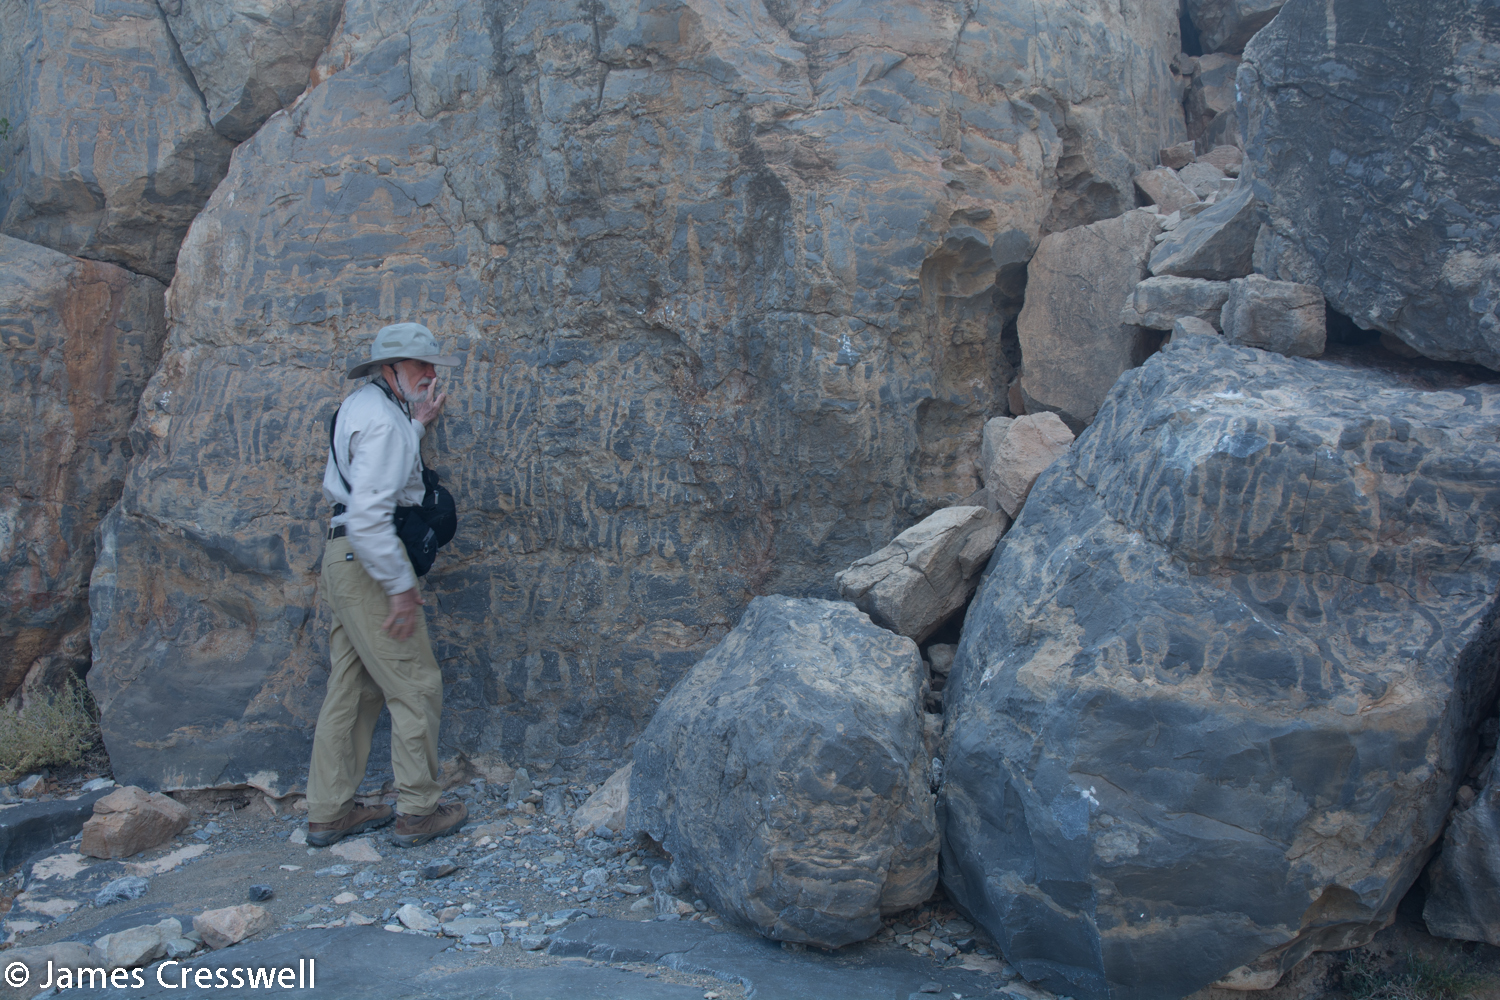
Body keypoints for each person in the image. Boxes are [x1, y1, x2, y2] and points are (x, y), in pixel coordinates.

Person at [304, 322, 468, 848]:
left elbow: (374, 474)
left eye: (430, 364)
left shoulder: (365, 407)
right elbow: (373, 513)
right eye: (419, 365)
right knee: (415, 683)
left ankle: (329, 811)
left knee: (352, 686)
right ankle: (419, 810)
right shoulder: (385, 422)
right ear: (390, 370)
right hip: (369, 559)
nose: (429, 373)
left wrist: (416, 425)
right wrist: (399, 586)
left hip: (343, 555)